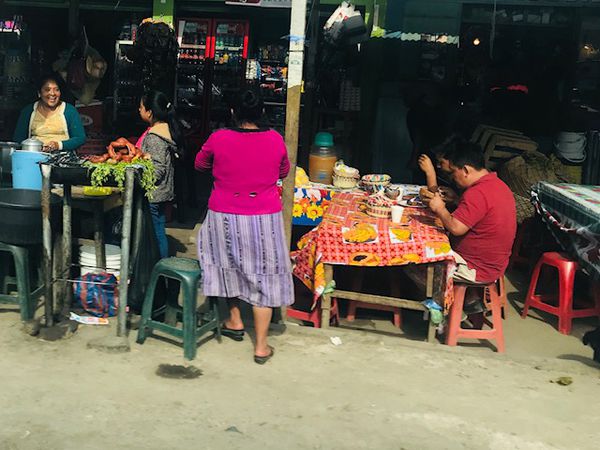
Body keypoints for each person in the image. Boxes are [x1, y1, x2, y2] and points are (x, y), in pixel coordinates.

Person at [194, 87, 293, 365]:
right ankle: (261, 345)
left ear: (233, 112)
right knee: (265, 276)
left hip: (223, 214)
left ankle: (235, 319)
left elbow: (200, 164)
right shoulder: (274, 139)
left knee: (229, 265)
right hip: (263, 217)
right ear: (261, 113)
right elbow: (283, 171)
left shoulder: (219, 137)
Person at [427, 142, 516, 295]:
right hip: (494, 266)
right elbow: (480, 212)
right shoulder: (498, 185)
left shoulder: (477, 193)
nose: (453, 178)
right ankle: (468, 300)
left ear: (466, 170)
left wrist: (440, 208)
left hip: (473, 268)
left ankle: (441, 306)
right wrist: (456, 200)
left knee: (415, 262)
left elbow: (456, 228)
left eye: (454, 172)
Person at [138, 90, 180, 259]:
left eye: (141, 107)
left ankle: (158, 268)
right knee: (159, 229)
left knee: (156, 233)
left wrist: (141, 181)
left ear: (150, 112)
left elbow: (157, 169)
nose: (139, 111)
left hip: (154, 194)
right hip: (163, 193)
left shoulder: (155, 136)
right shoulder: (166, 131)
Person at [14, 74, 86, 152]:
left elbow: (80, 138)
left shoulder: (69, 110)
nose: (52, 93)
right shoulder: (28, 111)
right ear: (39, 93)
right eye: (47, 90)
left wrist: (58, 145)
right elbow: (18, 139)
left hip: (62, 158)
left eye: (56, 89)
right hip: (35, 156)